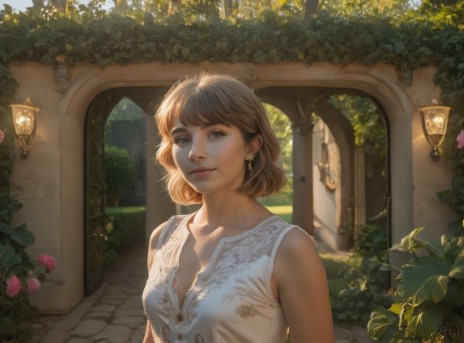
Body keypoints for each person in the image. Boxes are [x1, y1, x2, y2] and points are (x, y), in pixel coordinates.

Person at [142, 73, 335, 343]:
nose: (194, 152)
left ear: (252, 147)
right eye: (182, 138)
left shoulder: (288, 248)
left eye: (216, 134)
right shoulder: (162, 238)